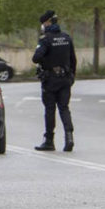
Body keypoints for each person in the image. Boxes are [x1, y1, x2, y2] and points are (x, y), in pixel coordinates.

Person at [32, 10, 77, 152]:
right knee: (64, 108)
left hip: (50, 80)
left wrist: (45, 59)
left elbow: (36, 58)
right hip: (65, 79)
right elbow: (73, 60)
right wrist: (71, 77)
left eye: (43, 23)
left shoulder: (45, 39)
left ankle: (49, 140)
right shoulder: (66, 38)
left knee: (50, 110)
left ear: (47, 23)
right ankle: (69, 137)